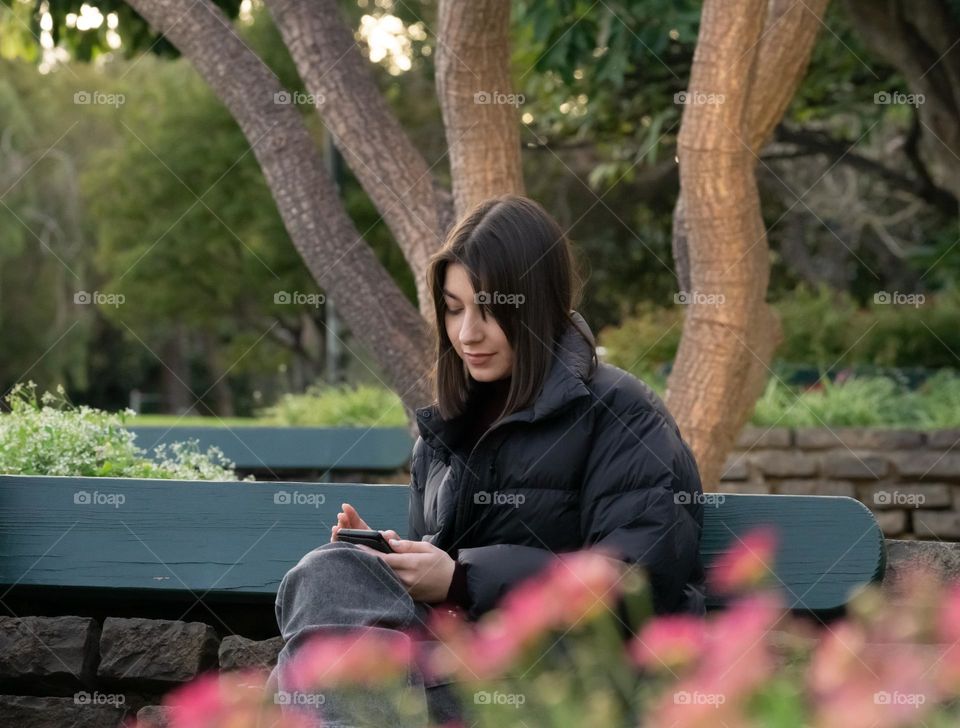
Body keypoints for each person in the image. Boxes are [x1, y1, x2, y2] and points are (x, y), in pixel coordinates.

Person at [272, 194, 707, 727]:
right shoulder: (447, 427)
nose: (466, 334)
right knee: (332, 571)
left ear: (536, 303)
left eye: (489, 310)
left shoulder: (619, 412)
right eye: (454, 309)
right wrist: (396, 561)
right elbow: (442, 582)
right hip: (458, 668)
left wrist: (462, 579)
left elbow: (635, 584)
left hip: (568, 685)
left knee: (305, 687)